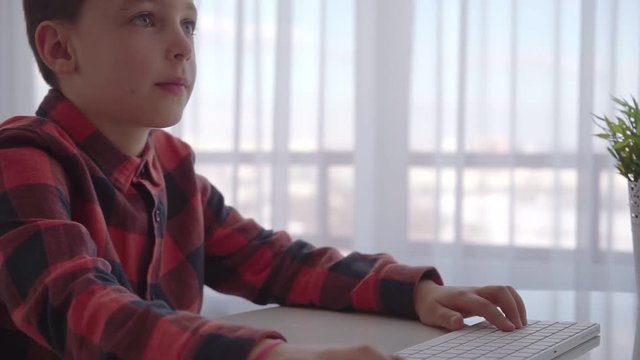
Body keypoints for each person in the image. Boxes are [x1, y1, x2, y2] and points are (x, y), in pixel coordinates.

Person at [0, 0, 527, 359]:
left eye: (189, 24)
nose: (182, 47)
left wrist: (416, 293)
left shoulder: (174, 170)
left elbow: (276, 262)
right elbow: (76, 304)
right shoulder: (24, 157)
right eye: (144, 18)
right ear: (59, 50)